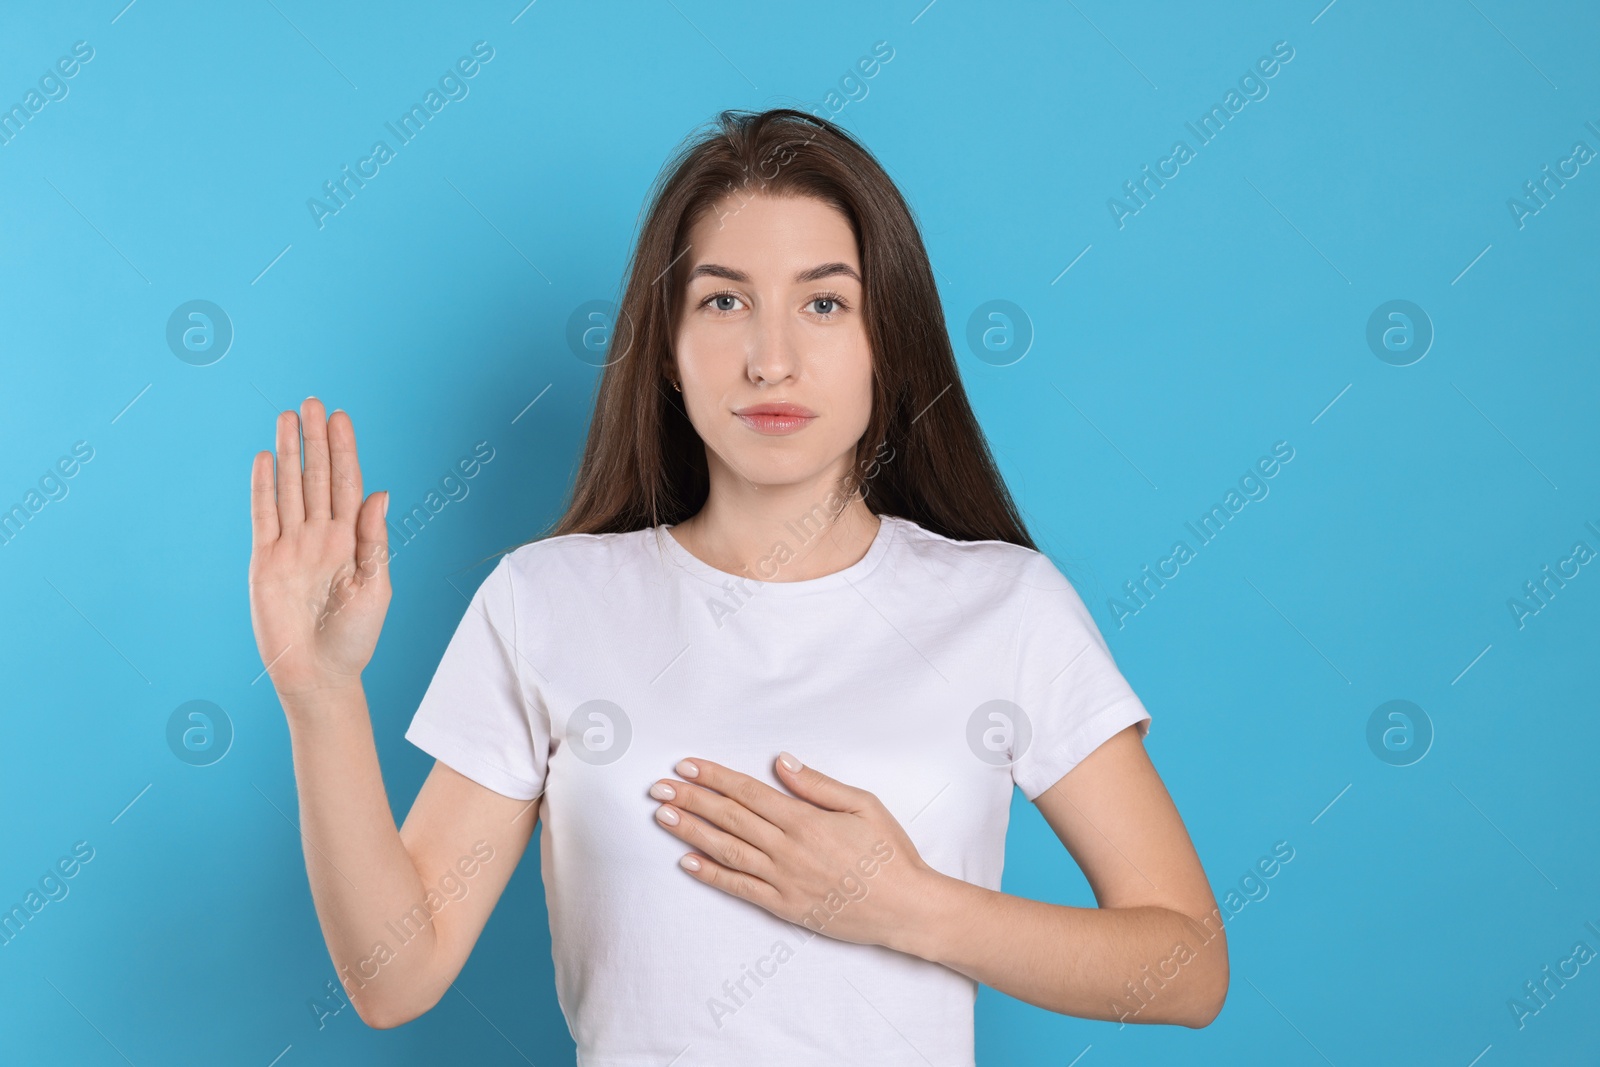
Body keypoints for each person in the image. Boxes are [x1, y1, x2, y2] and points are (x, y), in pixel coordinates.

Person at [247, 107, 1227, 1064]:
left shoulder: (1006, 606)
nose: (771, 357)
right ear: (667, 350)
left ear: (889, 340)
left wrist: (906, 902)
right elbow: (394, 974)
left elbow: (1185, 963)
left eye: (823, 302)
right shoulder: (544, 600)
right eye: (723, 300)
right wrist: (319, 694)